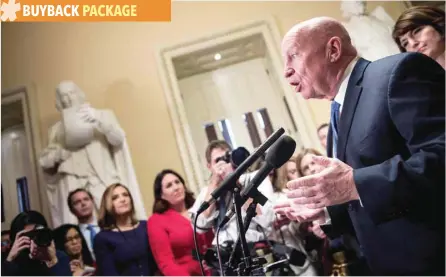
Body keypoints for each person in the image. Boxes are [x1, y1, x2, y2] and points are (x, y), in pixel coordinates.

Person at [275, 17, 445, 275]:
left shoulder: (398, 72)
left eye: (294, 56)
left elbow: (440, 155)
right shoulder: (337, 108)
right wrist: (327, 211)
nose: (286, 71)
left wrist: (353, 184)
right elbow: (363, 196)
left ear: (333, 50)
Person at [39, 80, 146, 227]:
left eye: (71, 93)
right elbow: (45, 161)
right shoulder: (56, 130)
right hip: (72, 180)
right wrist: (59, 154)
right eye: (63, 96)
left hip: (100, 177)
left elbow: (118, 140)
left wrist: (99, 121)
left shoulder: (102, 115)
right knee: (75, 229)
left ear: (79, 94)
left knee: (115, 221)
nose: (68, 98)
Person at [148, 169, 214, 276]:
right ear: (161, 195)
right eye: (169, 186)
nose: (176, 187)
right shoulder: (157, 220)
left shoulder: (199, 208)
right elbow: (166, 263)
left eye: (177, 182)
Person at [267, 157, 318, 276]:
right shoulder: (279, 197)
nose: (297, 175)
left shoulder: (308, 190)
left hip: (312, 250)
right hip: (291, 256)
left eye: (298, 171)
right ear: (284, 176)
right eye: (292, 172)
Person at [94, 183, 158, 275]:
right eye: (115, 198)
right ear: (108, 204)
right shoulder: (102, 238)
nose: (123, 199)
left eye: (125, 195)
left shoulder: (146, 226)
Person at [1, 211, 72, 276]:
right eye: (29, 236)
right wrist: (10, 259)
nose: (34, 240)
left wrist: (52, 260)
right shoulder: (14, 263)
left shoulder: (59, 257)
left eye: (38, 234)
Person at [67, 188, 100, 260]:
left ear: (92, 202)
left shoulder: (107, 226)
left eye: (86, 199)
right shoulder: (73, 235)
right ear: (71, 210)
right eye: (77, 202)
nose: (83, 203)